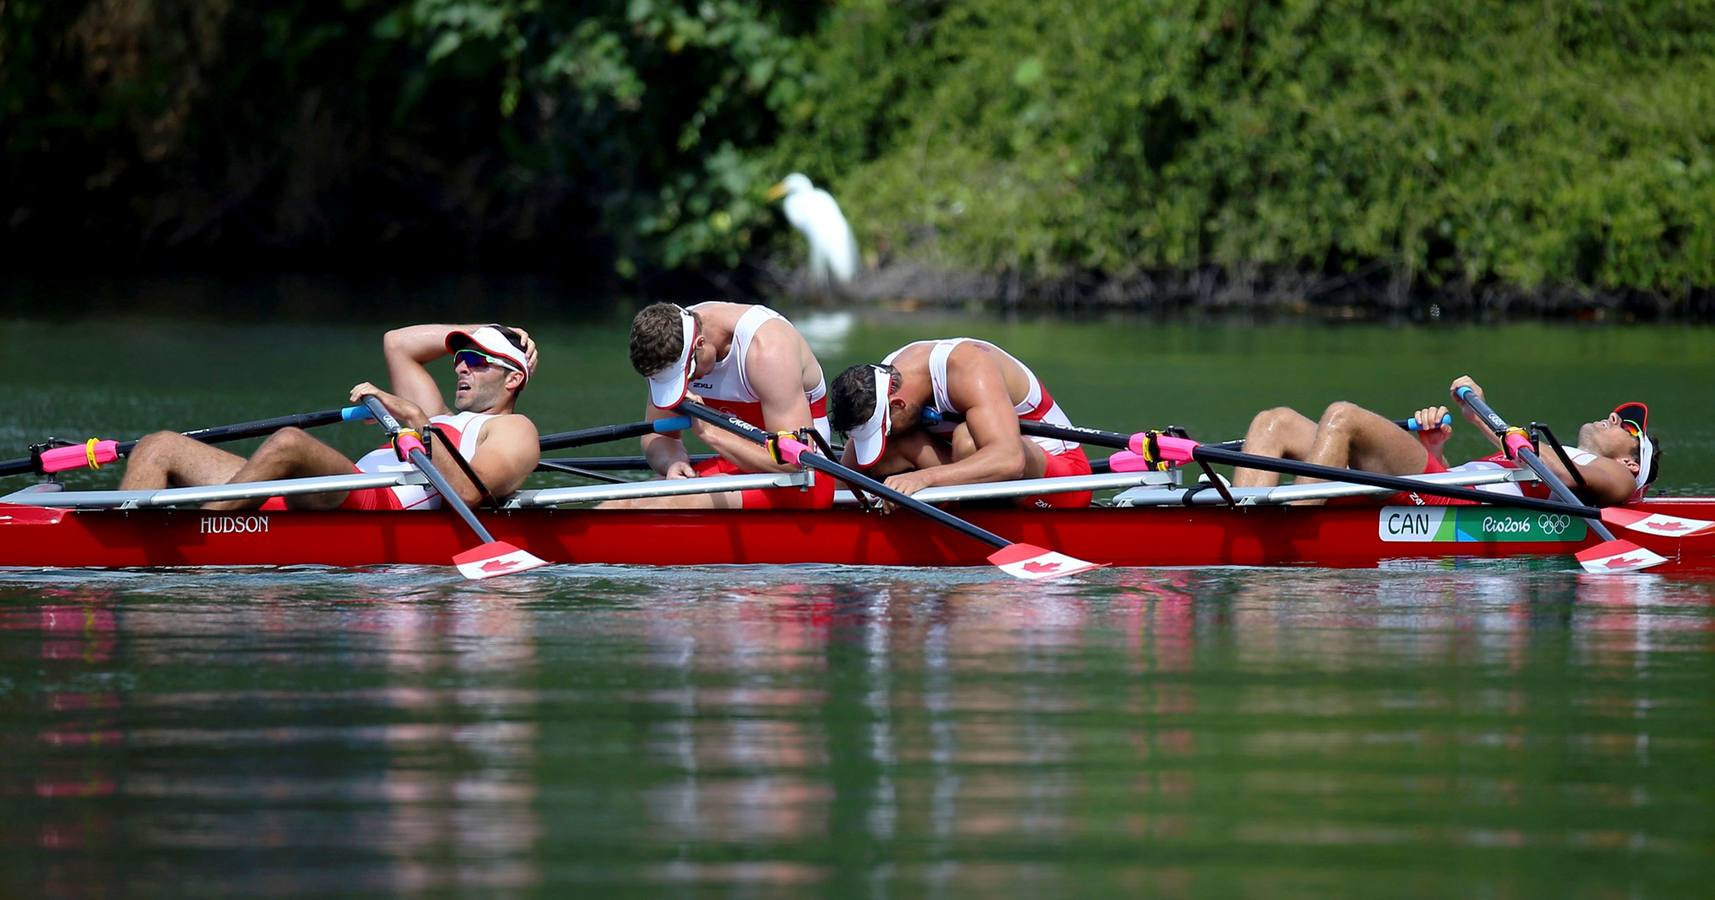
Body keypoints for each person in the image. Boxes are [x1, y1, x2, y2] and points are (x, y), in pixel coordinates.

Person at [120, 324, 541, 511]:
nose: (461, 367)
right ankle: (113, 534)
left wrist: (416, 419)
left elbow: (466, 494)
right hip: (333, 491)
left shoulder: (514, 429)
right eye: (460, 358)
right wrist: (494, 329)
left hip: (377, 506)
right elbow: (398, 343)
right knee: (159, 446)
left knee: (290, 442)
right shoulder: (440, 416)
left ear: (513, 378)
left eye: (477, 361)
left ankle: (201, 534)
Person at [1232, 375, 1660, 506]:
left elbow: (1555, 472)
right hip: (1440, 485)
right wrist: (1433, 448)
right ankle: (1242, 514)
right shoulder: (1553, 453)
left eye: (1628, 428)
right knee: (1275, 422)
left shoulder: (1620, 480)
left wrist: (1482, 419)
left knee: (1343, 417)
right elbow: (1476, 478)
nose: (1613, 418)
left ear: (1631, 464)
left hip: (1448, 501)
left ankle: (1294, 526)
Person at [601, 301, 833, 510]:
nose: (689, 382)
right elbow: (659, 436)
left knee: (660, 505)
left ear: (700, 344)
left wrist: (710, 432)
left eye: (686, 375)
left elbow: (793, 462)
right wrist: (672, 463)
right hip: (733, 467)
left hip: (805, 480)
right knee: (619, 505)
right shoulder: (670, 338)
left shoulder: (768, 349)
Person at [828, 338, 1093, 509]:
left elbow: (1010, 461)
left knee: (968, 440)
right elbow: (849, 474)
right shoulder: (884, 377)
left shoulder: (968, 367)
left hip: (1062, 480)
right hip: (976, 479)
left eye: (883, 428)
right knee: (886, 451)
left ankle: (951, 513)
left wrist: (923, 479)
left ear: (898, 404)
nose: (885, 433)